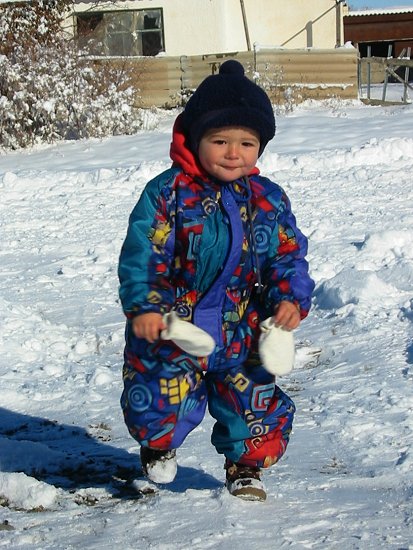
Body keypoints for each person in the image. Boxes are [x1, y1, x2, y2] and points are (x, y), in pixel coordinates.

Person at [118, 60, 314, 501]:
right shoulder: (166, 194)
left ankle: (245, 466)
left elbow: (287, 254)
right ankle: (158, 445)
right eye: (220, 140)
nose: (233, 153)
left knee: (253, 401)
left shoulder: (267, 198)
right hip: (174, 324)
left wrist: (289, 298)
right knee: (159, 396)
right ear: (194, 138)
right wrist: (147, 305)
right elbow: (145, 254)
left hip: (242, 324)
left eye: (247, 143)